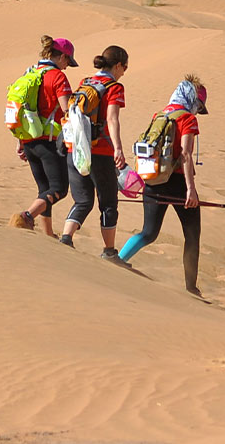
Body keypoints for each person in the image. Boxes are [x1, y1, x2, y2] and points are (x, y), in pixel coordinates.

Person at [118, 75, 208, 295]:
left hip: (153, 180)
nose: (198, 110)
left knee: (149, 232)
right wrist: (190, 189)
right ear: (193, 100)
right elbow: (185, 155)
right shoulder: (187, 119)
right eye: (199, 105)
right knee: (192, 234)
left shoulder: (159, 114)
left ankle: (116, 260)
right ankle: (191, 287)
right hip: (176, 182)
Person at [61, 44, 128, 259]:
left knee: (82, 201)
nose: (124, 72)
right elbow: (112, 118)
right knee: (108, 203)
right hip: (100, 152)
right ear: (117, 65)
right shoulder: (114, 87)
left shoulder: (85, 82)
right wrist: (118, 148)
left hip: (74, 148)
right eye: (124, 67)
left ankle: (65, 240)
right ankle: (109, 252)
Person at [9, 35, 76, 238]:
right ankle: (26, 217)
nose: (66, 67)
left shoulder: (30, 73)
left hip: (29, 140)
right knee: (59, 189)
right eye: (67, 62)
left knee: (45, 189)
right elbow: (66, 110)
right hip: (49, 142)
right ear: (62, 56)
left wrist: (21, 141)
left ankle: (48, 234)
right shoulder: (57, 77)